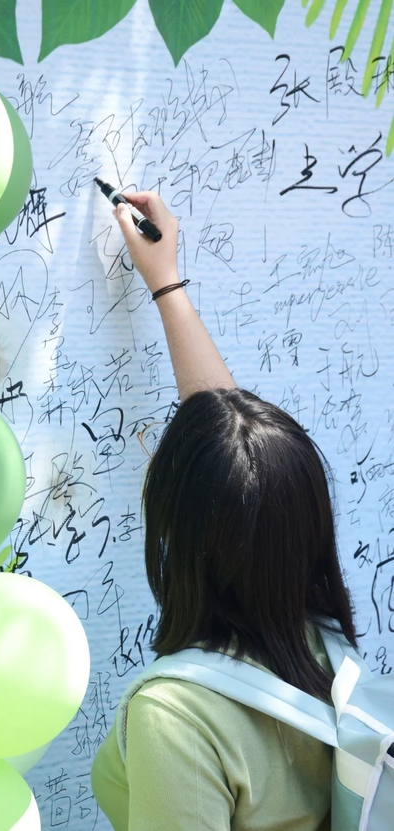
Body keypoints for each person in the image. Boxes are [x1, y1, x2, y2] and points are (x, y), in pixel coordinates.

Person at [90, 192, 357, 831]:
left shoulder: (177, 717)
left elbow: (234, 470)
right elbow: (240, 463)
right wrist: (166, 283)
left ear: (186, 534)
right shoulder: (321, 646)